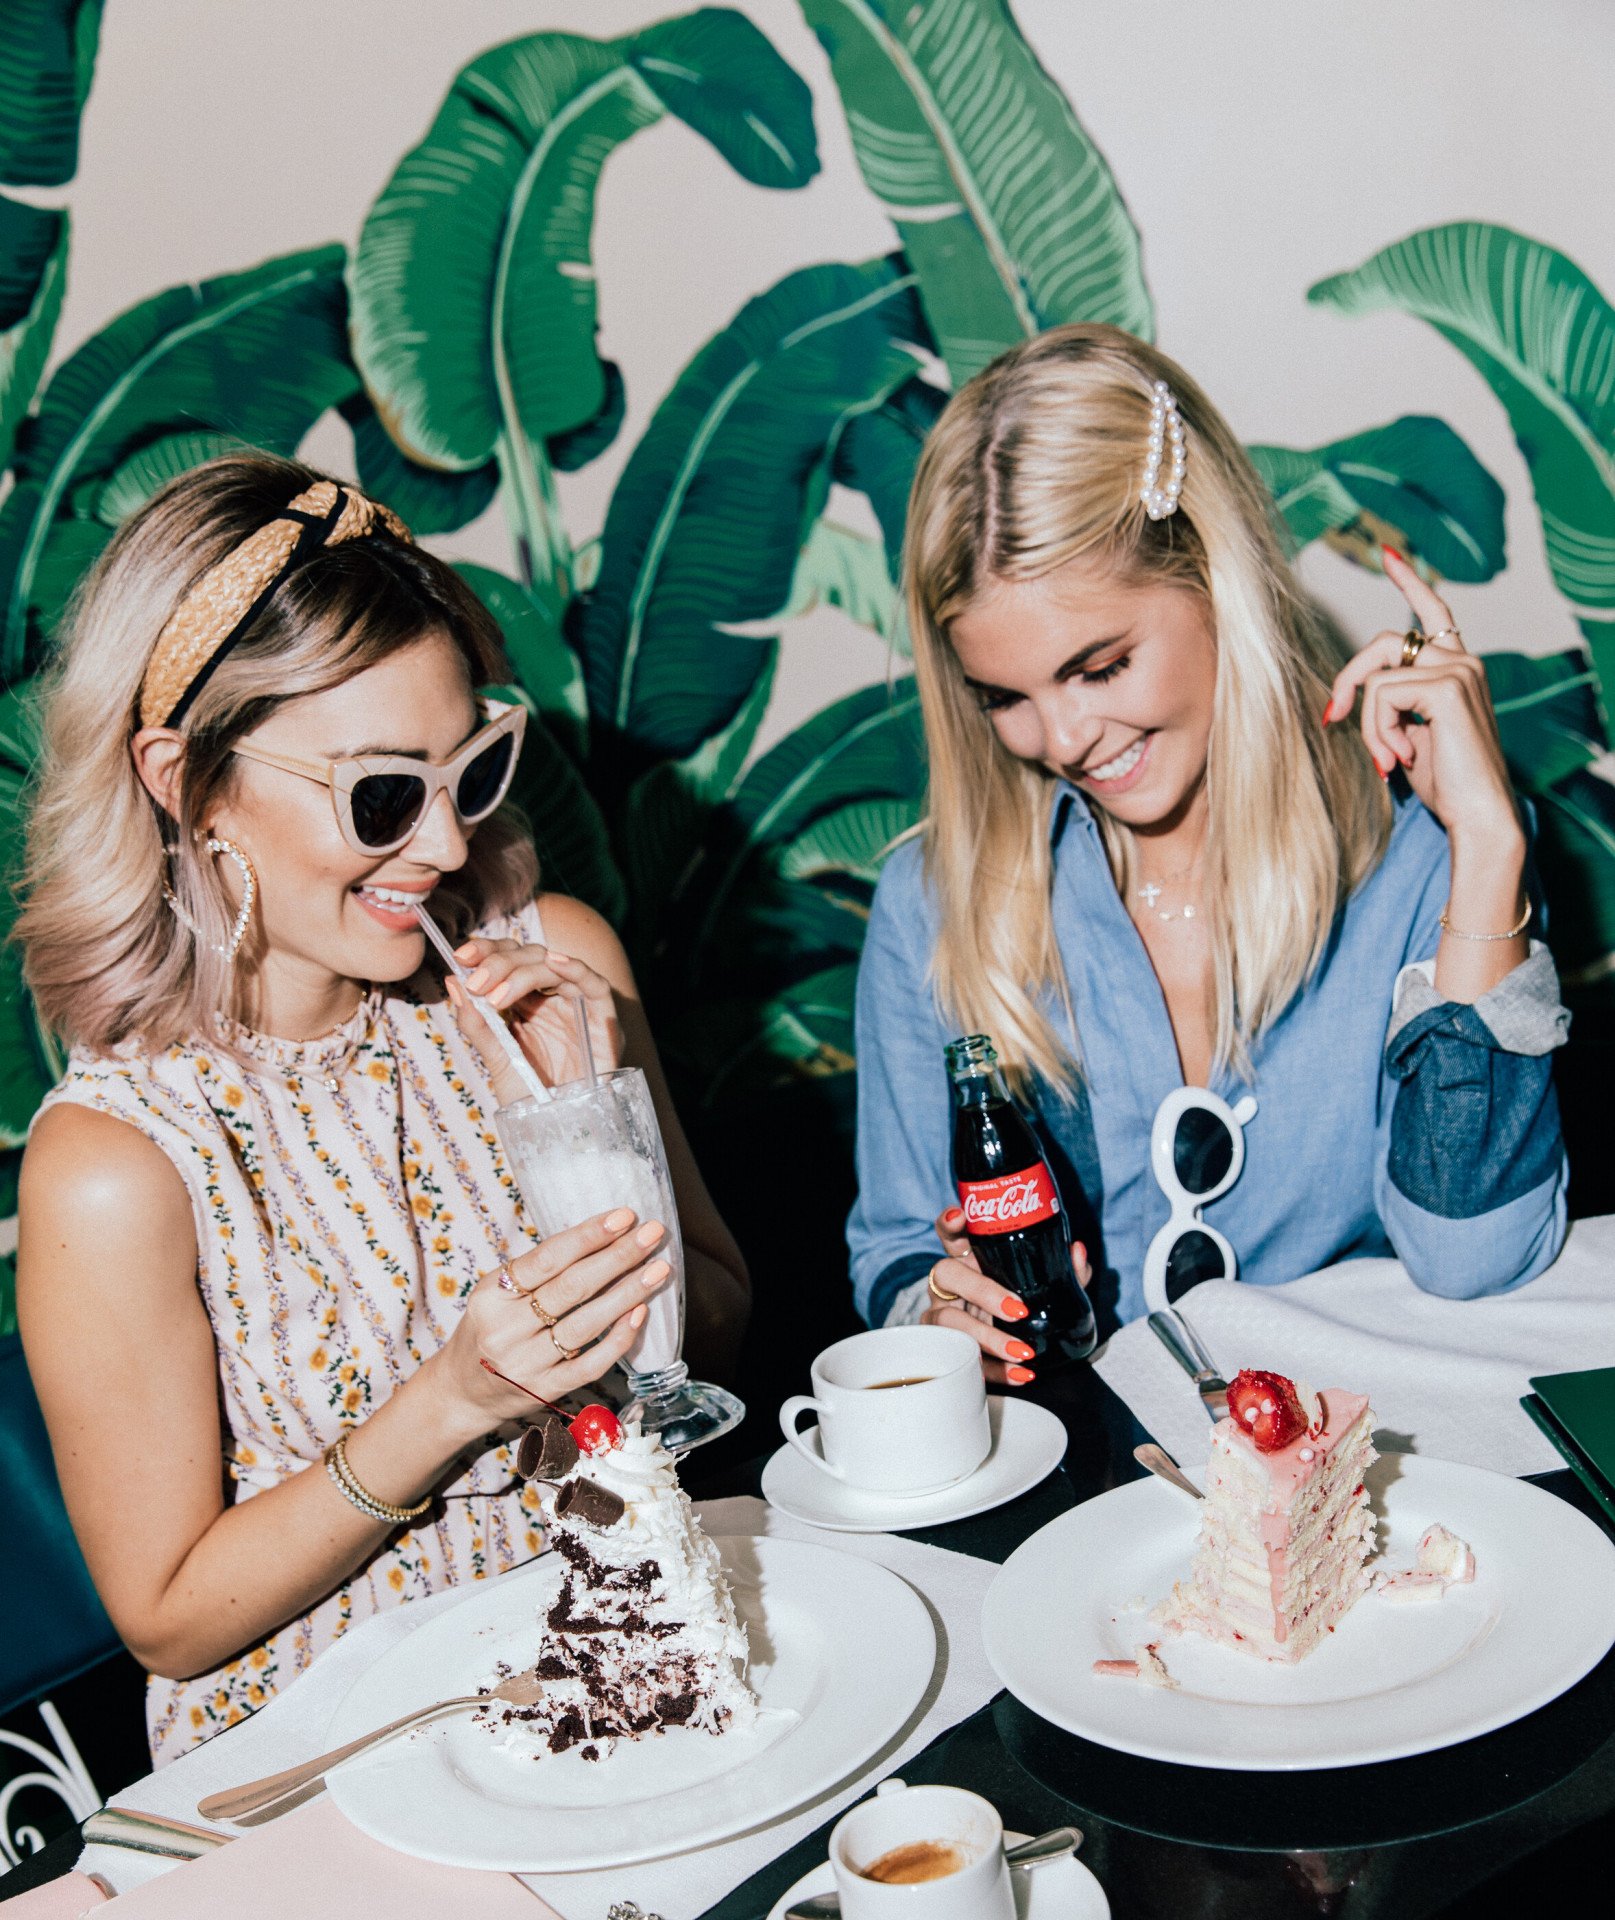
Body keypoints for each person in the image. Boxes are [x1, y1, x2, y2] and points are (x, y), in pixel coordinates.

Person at [14, 455, 748, 1762]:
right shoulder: (116, 1163)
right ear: (185, 783)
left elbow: (720, 1318)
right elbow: (170, 1620)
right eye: (382, 795)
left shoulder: (546, 963)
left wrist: (601, 1115)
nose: (450, 847)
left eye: (468, 772)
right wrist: (447, 1406)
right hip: (324, 1764)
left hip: (629, 1680)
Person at [848, 325, 1568, 1383]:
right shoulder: (933, 903)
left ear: (1211, 579)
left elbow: (1473, 1257)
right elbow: (894, 1249)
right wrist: (934, 1308)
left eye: (1098, 666)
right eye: (1005, 696)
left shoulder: (1416, 860)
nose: (1061, 740)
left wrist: (1488, 843)